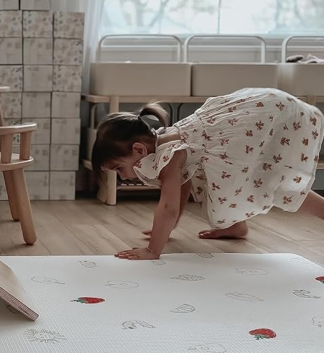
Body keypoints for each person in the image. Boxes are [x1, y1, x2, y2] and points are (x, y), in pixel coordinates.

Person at [91, 89, 324, 261]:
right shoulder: (166, 144)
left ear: (139, 150)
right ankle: (235, 226)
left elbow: (168, 207)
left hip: (265, 119)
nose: (122, 177)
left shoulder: (170, 156)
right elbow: (182, 187)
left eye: (119, 168)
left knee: (276, 182)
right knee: (230, 182)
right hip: (255, 119)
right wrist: (169, 228)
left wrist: (153, 250)